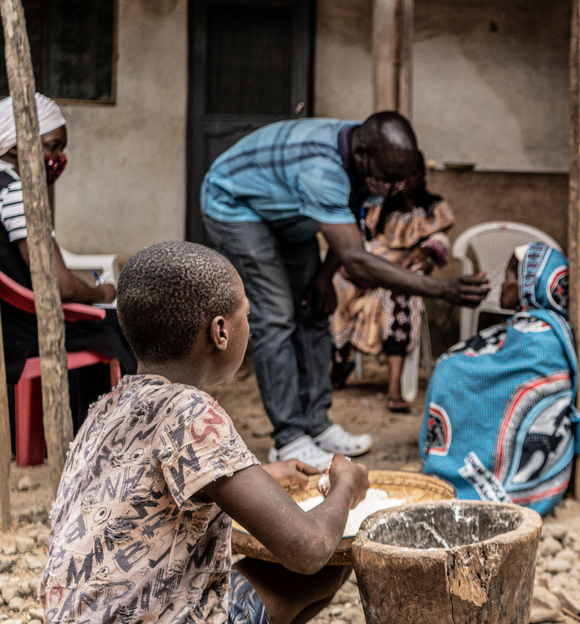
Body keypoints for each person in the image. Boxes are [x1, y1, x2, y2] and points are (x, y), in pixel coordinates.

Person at [41, 241, 427, 624]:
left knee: (332, 569)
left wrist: (261, 472)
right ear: (220, 331)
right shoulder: (191, 412)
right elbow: (309, 548)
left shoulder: (113, 404)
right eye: (247, 313)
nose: (252, 324)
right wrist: (347, 486)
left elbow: (157, 487)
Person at [201, 112, 488, 469]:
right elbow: (356, 257)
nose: (397, 188)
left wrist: (324, 277)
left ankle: (316, 425)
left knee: (317, 308)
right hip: (238, 206)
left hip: (289, 214)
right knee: (277, 318)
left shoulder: (373, 161)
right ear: (363, 154)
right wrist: (441, 288)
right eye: (390, 179)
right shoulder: (323, 168)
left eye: (403, 177)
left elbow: (347, 225)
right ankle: (289, 438)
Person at [419, 242, 580, 515]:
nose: (504, 283)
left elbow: (499, 375)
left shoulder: (537, 333)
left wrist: (453, 366)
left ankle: (464, 472)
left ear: (530, 282)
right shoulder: (537, 325)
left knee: (449, 370)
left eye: (511, 276)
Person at [0, 93, 136, 388]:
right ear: (15, 145)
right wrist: (102, 293)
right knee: (122, 327)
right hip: (23, 330)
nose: (57, 160)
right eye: (52, 147)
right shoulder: (16, 193)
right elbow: (60, 286)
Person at [329, 156, 453, 413]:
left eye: (411, 175)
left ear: (422, 176)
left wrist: (426, 251)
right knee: (338, 283)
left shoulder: (434, 207)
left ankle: (394, 387)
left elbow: (441, 239)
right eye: (401, 177)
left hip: (406, 272)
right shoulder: (382, 207)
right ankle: (338, 366)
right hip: (375, 266)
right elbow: (365, 238)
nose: (405, 182)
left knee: (398, 292)